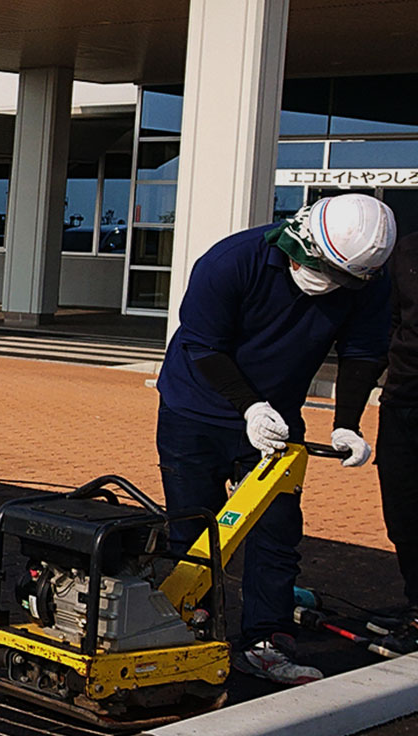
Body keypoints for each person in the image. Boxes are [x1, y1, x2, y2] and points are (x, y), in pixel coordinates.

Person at [157, 193, 396, 685]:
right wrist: (250, 406)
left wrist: (347, 422)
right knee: (195, 529)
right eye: (319, 267)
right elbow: (204, 344)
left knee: (277, 531)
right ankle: (191, 629)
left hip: (280, 419)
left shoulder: (369, 278)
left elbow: (363, 351)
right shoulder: (231, 262)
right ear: (299, 239)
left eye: (337, 277)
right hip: (193, 410)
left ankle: (266, 640)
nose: (323, 281)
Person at [376, 230, 418, 652]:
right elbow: (392, 320)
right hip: (402, 397)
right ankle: (415, 603)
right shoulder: (407, 250)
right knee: (402, 511)